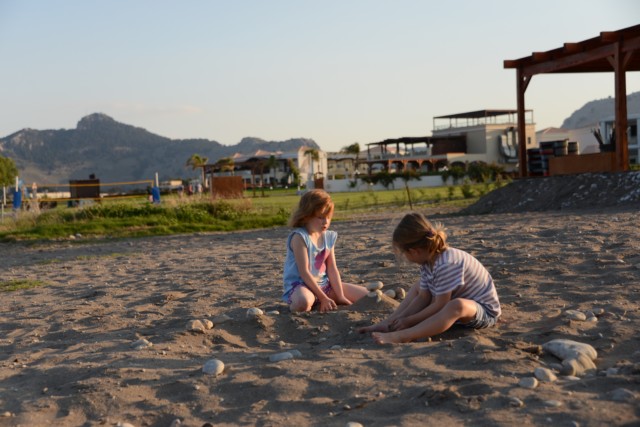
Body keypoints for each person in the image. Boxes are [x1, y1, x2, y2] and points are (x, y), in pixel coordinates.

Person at [359, 212, 501, 344]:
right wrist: (400, 319)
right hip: (453, 305)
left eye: (405, 254)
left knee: (457, 305)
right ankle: (389, 322)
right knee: (418, 286)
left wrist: (410, 321)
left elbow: (440, 305)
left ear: (414, 251)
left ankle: (404, 335)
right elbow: (423, 297)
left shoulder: (447, 263)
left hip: (484, 312)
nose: (406, 259)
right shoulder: (428, 261)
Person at [282, 189, 368, 312]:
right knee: (303, 303)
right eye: (320, 217)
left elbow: (332, 268)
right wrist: (323, 298)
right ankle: (314, 300)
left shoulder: (328, 236)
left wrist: (340, 296)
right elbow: (304, 272)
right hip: (301, 286)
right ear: (306, 216)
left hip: (325, 286)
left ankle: (323, 299)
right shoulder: (299, 237)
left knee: (369, 296)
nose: (326, 222)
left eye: (328, 217)